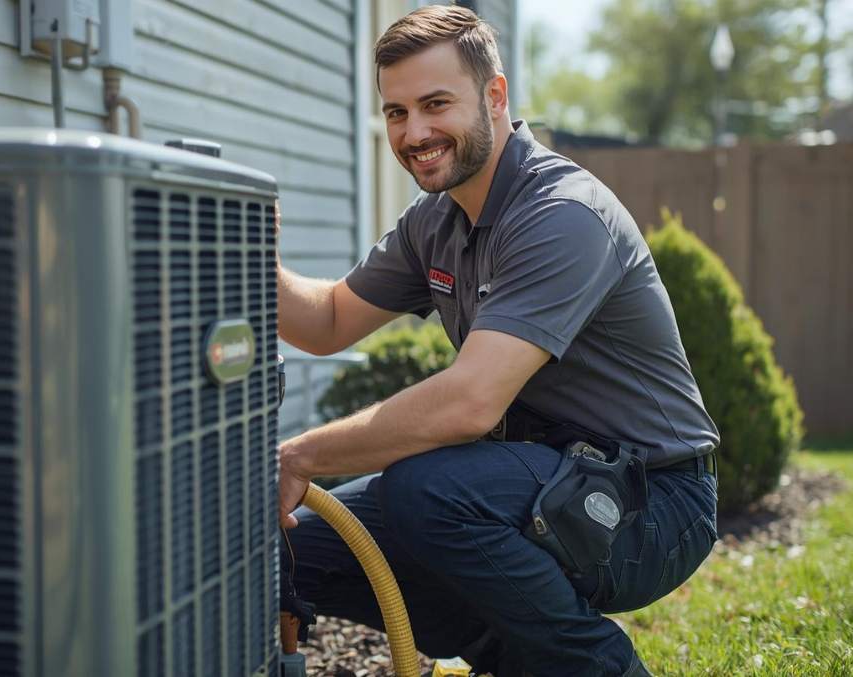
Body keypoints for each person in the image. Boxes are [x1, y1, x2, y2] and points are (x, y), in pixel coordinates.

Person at [275, 6, 719, 676]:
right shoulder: (437, 221)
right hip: (546, 474)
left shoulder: (561, 215)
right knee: (302, 547)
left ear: (496, 96)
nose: (413, 132)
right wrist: (251, 248)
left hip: (653, 500)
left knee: (426, 491)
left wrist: (303, 454)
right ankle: (513, 657)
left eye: (434, 104)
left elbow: (470, 404)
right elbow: (329, 319)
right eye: (396, 112)